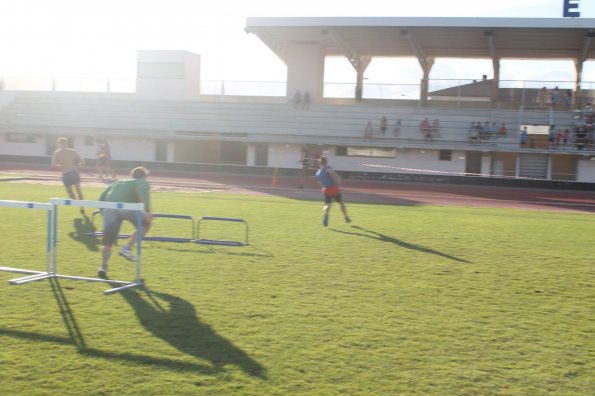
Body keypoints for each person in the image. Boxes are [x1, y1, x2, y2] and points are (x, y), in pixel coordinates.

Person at [97, 166, 153, 279]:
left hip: (110, 208)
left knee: (107, 241)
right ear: (144, 176)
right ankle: (127, 247)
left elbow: (101, 197)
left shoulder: (118, 182)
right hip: (128, 207)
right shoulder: (142, 182)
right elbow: (145, 197)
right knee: (146, 224)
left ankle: (102, 267)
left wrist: (102, 211)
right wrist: (148, 212)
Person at [51, 137, 85, 214]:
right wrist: (61, 165)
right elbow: (53, 165)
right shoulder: (56, 153)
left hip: (72, 173)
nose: (61, 145)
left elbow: (81, 161)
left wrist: (80, 164)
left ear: (66, 144)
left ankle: (81, 207)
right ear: (58, 144)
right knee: (71, 193)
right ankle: (78, 204)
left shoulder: (72, 151)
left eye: (63, 144)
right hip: (67, 174)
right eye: (60, 144)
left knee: (77, 191)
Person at [314, 156, 350, 227]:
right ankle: (346, 217)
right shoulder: (328, 168)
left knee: (327, 205)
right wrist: (338, 180)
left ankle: (326, 215)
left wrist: (323, 186)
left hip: (325, 189)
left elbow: (318, 182)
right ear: (326, 162)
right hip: (333, 188)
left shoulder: (317, 172)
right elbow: (334, 175)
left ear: (319, 163)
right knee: (341, 203)